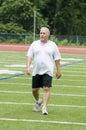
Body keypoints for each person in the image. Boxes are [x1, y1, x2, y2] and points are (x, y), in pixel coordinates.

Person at [26, 27, 61, 115]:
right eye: (41, 33)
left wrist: (58, 71)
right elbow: (29, 56)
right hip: (36, 71)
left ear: (48, 35)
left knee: (46, 88)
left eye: (44, 33)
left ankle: (44, 107)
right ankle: (38, 101)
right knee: (34, 90)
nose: (42, 35)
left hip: (47, 71)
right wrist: (28, 67)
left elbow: (57, 58)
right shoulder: (34, 44)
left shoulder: (53, 45)